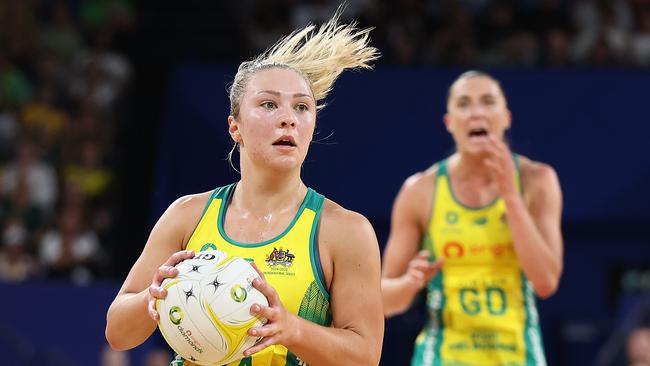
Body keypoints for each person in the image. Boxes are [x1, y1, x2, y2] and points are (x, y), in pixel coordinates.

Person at [105, 11, 384, 366]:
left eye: (302, 107)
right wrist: (153, 296)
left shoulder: (345, 230)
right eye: (269, 104)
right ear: (234, 127)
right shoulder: (187, 214)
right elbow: (117, 333)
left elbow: (366, 357)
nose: (288, 118)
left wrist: (291, 329)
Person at [381, 71, 563, 365]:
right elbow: (384, 302)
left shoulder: (537, 180)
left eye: (488, 101)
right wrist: (409, 284)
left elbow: (545, 282)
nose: (476, 112)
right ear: (449, 123)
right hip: (442, 357)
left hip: (518, 356)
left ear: (506, 118)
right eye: (464, 104)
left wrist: (511, 197)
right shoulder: (420, 190)